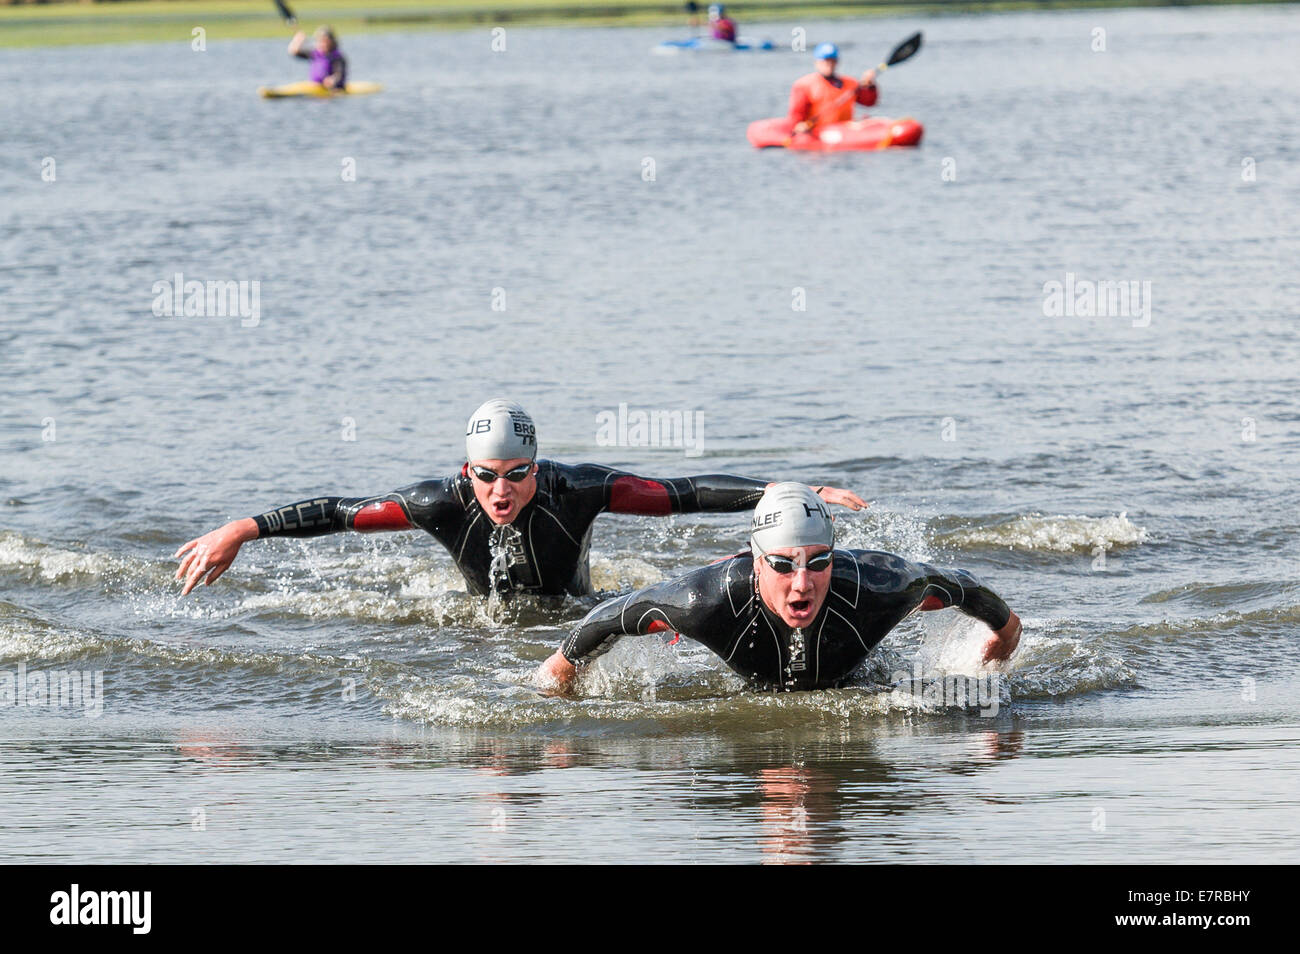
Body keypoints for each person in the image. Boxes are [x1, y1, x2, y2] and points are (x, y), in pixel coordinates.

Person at [174, 402, 867, 600]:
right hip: (485, 616)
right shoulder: (437, 503)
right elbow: (339, 513)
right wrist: (243, 528)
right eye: (486, 476)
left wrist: (780, 492)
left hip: (574, 607)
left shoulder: (580, 489)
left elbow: (678, 494)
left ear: (539, 465)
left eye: (517, 472)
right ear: (464, 473)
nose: (500, 490)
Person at [538, 483, 1021, 692]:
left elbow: (970, 592)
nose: (802, 584)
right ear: (755, 561)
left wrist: (996, 649)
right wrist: (559, 677)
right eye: (784, 565)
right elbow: (612, 616)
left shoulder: (879, 586)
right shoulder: (705, 600)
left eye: (819, 562)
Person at [788, 43, 878, 136]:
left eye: (832, 61)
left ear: (837, 62)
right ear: (816, 63)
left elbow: (869, 102)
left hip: (845, 130)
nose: (829, 64)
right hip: (819, 131)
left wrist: (869, 86)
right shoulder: (804, 84)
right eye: (825, 61)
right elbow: (796, 113)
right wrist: (798, 125)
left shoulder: (851, 83)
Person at [288, 25, 346, 91]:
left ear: (331, 42)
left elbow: (339, 74)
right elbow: (293, 51)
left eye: (325, 41)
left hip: (331, 90)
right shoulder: (315, 54)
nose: (322, 44)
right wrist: (298, 39)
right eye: (320, 41)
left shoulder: (337, 57)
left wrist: (332, 80)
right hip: (314, 88)